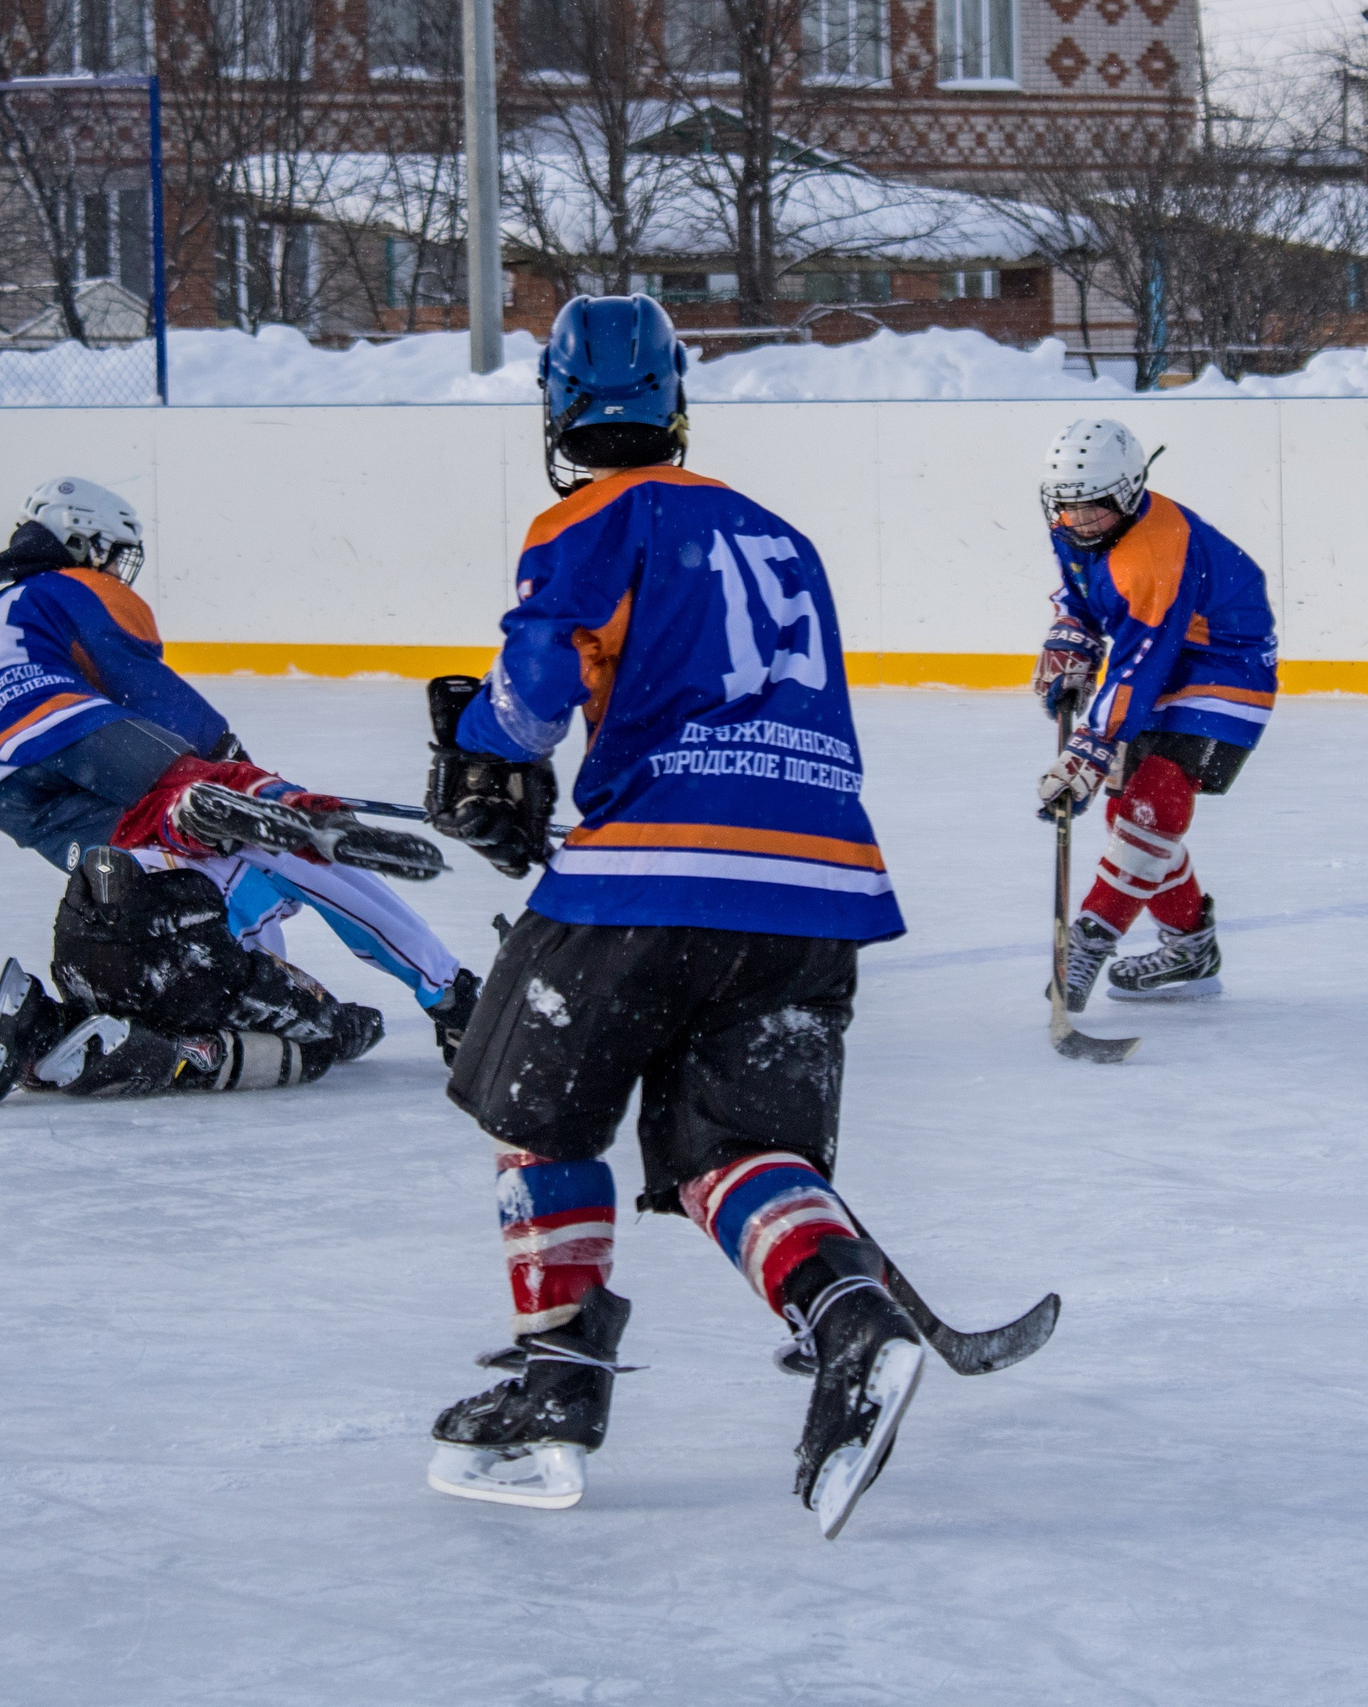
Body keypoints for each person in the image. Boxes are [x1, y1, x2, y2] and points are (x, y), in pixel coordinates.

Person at [417, 295, 922, 1540]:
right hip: (818, 886)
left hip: (650, 873)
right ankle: (847, 1323)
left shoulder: (584, 519)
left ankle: (556, 1386)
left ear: (557, 410)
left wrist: (479, 746)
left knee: (532, 1107)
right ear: (674, 401)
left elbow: (533, 702)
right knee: (728, 1154)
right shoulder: (780, 535)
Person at [0, 476, 479, 1099]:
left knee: (145, 832)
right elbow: (146, 689)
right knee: (306, 1019)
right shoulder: (81, 586)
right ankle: (199, 1040)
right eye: (113, 551)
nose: (120, 569)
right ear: (83, 540)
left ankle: (45, 1029)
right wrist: (243, 770)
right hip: (71, 736)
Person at [1031, 419, 1278, 1009]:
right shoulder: (1072, 522)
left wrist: (1089, 749)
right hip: (1161, 650)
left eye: (1094, 509)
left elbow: (1140, 667)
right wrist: (1073, 631)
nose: (1080, 522)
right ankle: (1191, 947)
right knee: (1126, 814)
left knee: (1155, 802)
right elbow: (1084, 593)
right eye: (1068, 508)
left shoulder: (1155, 553)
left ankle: (1092, 937)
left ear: (1129, 491)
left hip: (1224, 659)